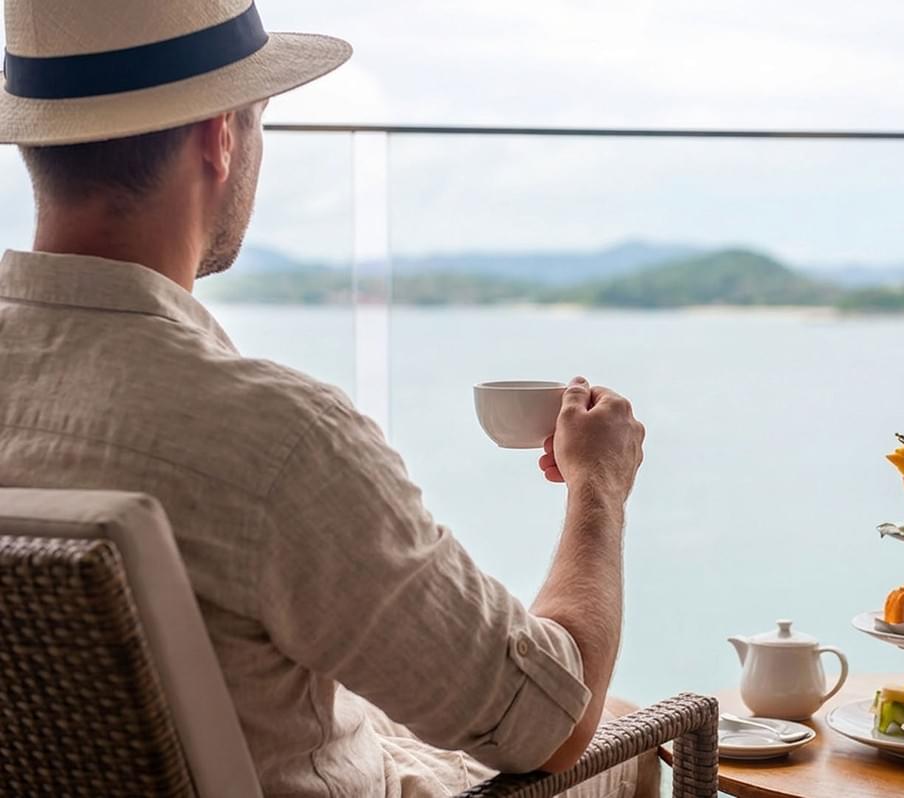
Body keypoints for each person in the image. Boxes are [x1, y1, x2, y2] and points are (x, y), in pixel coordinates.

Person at [0, 2, 647, 797]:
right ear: (222, 137)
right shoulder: (275, 442)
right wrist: (600, 486)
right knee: (627, 733)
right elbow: (549, 724)